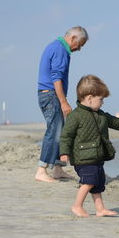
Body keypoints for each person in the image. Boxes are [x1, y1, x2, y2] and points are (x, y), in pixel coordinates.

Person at [60, 75, 119, 217]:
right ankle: (77, 206)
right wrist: (64, 153)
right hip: (82, 158)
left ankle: (100, 209)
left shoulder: (100, 114)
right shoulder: (75, 116)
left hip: (97, 156)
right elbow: (66, 136)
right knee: (89, 182)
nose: (102, 103)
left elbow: (113, 121)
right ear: (89, 98)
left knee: (98, 184)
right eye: (101, 99)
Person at [35, 26, 89, 183]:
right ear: (72, 38)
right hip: (51, 95)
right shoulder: (60, 50)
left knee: (61, 131)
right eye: (80, 44)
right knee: (54, 131)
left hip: (51, 95)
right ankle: (41, 170)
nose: (79, 49)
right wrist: (64, 102)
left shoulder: (56, 46)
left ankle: (58, 169)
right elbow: (56, 77)